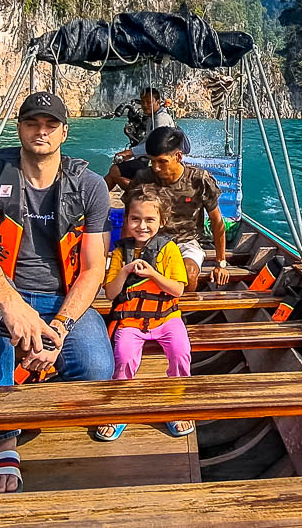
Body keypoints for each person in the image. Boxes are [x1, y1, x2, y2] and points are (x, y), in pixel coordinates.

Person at [0, 91, 113, 494]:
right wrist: (13, 305)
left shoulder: (89, 186)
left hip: (61, 299)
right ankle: (1, 436)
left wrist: (59, 328)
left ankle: (7, 390)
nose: (41, 131)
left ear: (64, 132)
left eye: (50, 124)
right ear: (18, 128)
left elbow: (92, 269)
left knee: (94, 372)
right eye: (32, 123)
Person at [92, 185, 193, 441]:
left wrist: (153, 274)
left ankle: (176, 406)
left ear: (161, 221)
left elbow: (178, 290)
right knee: (123, 358)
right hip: (131, 320)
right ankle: (119, 409)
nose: (142, 226)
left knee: (181, 353)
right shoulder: (119, 251)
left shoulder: (169, 250)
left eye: (150, 220)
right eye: (135, 219)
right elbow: (111, 294)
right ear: (127, 220)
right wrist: (125, 271)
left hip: (166, 319)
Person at [131, 126, 231, 292]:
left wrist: (220, 262)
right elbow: (130, 217)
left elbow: (217, 221)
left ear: (178, 156)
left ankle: (178, 313)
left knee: (188, 276)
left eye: (162, 162)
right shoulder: (143, 178)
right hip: (151, 240)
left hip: (187, 241)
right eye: (152, 161)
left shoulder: (199, 180)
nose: (156, 168)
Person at [104, 87, 178, 190]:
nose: (145, 105)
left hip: (158, 163)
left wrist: (131, 152)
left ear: (158, 102)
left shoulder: (161, 118)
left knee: (115, 171)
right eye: (143, 102)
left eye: (149, 102)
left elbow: (157, 145)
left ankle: (142, 194)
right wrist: (131, 153)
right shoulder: (153, 117)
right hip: (150, 160)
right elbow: (147, 139)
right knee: (116, 172)